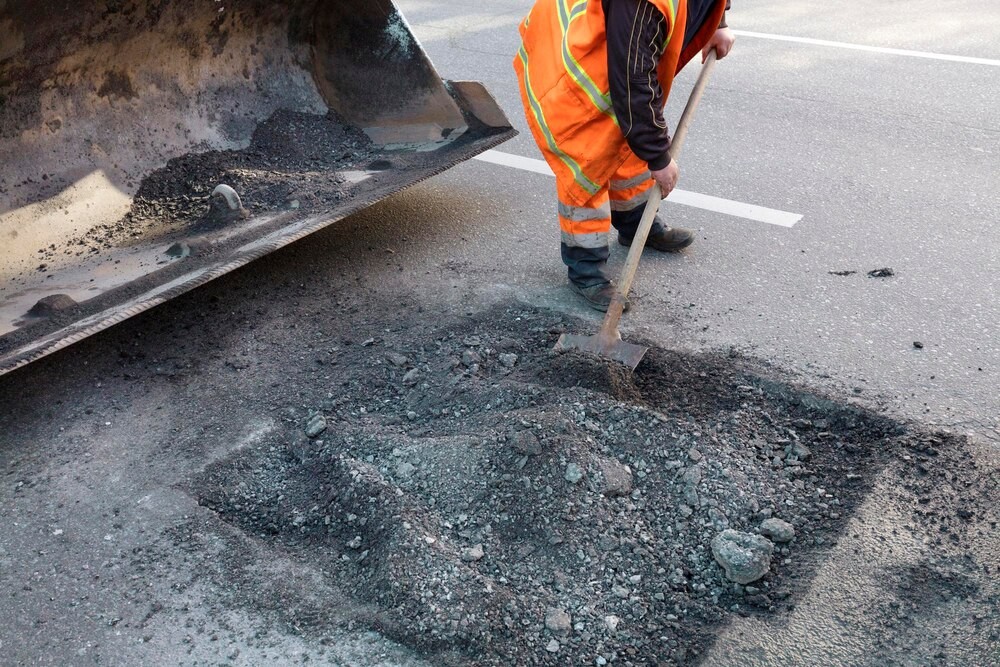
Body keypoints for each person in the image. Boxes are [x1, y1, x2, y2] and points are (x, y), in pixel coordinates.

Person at [514, 0, 735, 311]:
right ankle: (586, 270)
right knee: (587, 166)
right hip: (571, 61)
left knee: (629, 145)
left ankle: (635, 225)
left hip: (619, 47)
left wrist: (719, 23)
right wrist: (659, 158)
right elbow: (633, 82)